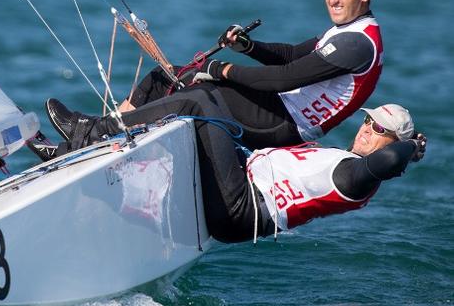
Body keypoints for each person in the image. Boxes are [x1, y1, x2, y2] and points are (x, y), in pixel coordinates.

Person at [87, 0, 383, 150]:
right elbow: (292, 55)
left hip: (287, 124)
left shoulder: (357, 43)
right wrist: (249, 46)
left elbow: (285, 78)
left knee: (199, 96)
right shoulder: (344, 30)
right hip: (275, 107)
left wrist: (222, 70)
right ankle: (101, 132)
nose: (332, 0)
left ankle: (103, 133)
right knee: (169, 76)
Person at [60, 102, 427, 244]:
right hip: (239, 193)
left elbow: (387, 162)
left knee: (198, 104)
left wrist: (411, 150)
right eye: (367, 121)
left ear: (395, 143)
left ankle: (95, 130)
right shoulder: (339, 159)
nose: (366, 129)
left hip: (243, 209)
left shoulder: (356, 178)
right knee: (203, 110)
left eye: (379, 130)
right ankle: (63, 156)